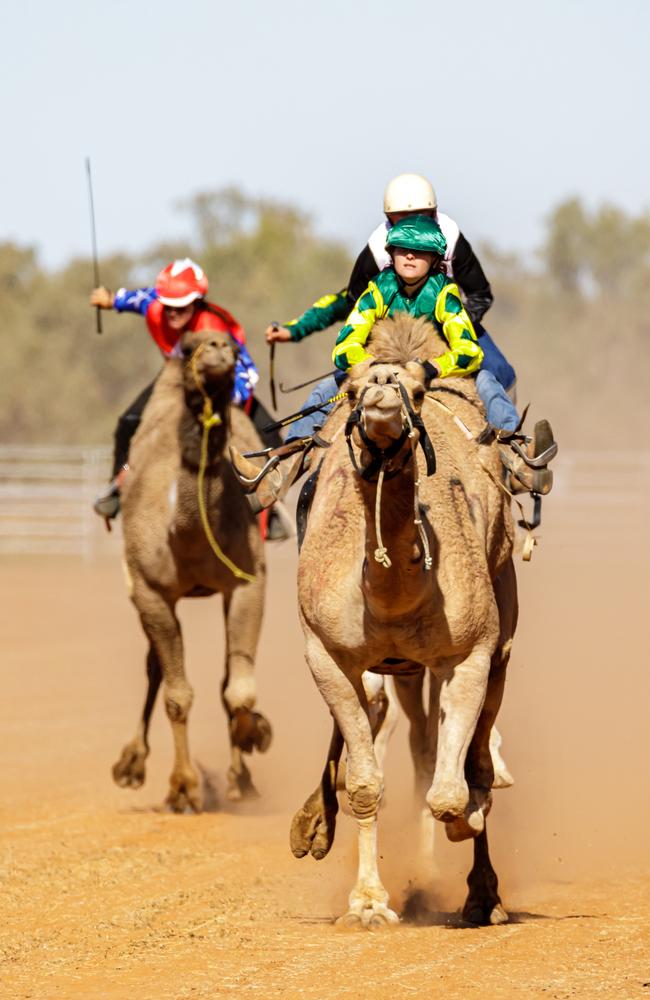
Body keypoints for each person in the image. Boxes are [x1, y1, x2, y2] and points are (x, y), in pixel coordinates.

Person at [241, 216, 555, 507]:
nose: (409, 257)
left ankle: (517, 457)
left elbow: (470, 351)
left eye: (419, 252)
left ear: (434, 259)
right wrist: (369, 366)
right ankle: (282, 467)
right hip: (380, 368)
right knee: (326, 390)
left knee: (488, 380)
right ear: (391, 252)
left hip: (431, 371)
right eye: (403, 249)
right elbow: (345, 344)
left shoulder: (445, 294)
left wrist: (431, 368)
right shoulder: (378, 289)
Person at [90, 258, 291, 539]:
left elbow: (248, 375)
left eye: (180, 305)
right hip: (175, 376)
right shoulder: (155, 305)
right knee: (128, 423)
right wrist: (110, 300)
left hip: (221, 388)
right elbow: (136, 299)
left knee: (272, 437)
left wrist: (224, 402)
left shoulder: (214, 329)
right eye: (168, 304)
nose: (172, 312)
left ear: (197, 302)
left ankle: (271, 512)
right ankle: (119, 484)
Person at [265, 172, 516, 396]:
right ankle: (302, 445)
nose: (410, 226)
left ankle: (509, 440)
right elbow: (351, 300)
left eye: (419, 215)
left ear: (433, 213)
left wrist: (442, 331)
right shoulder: (378, 248)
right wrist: (295, 329)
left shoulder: (450, 236)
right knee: (333, 389)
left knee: (499, 372)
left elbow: (480, 295)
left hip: (449, 322)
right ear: (388, 218)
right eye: (400, 217)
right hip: (391, 334)